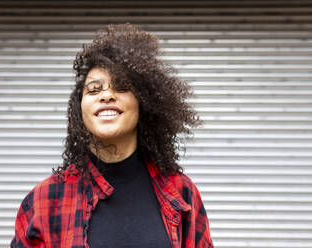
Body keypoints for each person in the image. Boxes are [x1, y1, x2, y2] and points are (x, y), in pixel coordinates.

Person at [11, 23, 214, 248]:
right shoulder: (45, 200)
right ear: (80, 109)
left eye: (121, 87)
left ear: (144, 103)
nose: (107, 96)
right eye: (94, 90)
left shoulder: (181, 193)